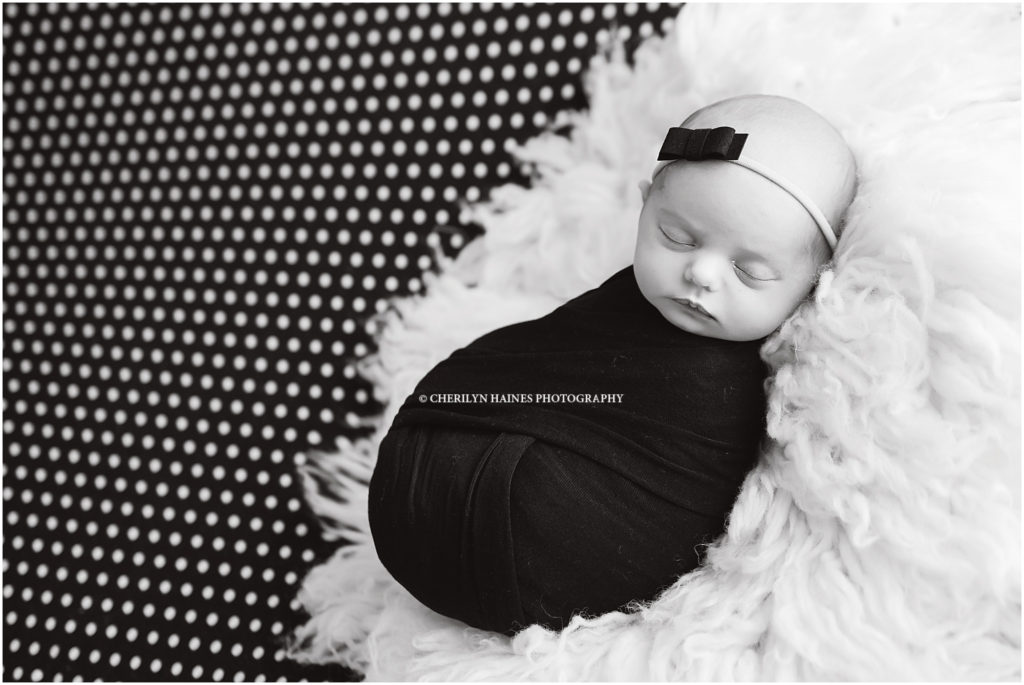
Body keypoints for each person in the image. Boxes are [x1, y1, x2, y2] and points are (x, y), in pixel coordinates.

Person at [367, 94, 859, 636]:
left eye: (750, 272)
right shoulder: (625, 306)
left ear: (812, 284)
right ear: (645, 205)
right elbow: (541, 369)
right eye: (676, 237)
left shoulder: (733, 382)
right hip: (419, 502)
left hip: (546, 553)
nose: (701, 273)